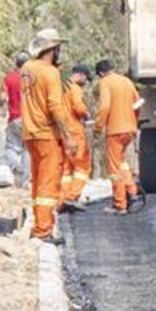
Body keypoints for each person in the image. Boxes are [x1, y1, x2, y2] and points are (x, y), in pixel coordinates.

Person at [20, 29, 78, 244]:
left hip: (30, 133)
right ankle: (44, 230)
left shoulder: (27, 68)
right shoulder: (50, 72)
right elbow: (54, 105)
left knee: (37, 181)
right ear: (52, 49)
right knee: (47, 182)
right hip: (46, 134)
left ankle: (38, 225)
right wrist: (68, 135)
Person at [93, 59, 143, 215]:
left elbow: (105, 107)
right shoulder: (126, 81)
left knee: (115, 169)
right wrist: (133, 120)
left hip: (115, 130)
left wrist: (98, 126)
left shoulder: (105, 82)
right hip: (130, 129)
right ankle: (133, 192)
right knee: (122, 164)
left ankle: (119, 204)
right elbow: (138, 103)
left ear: (101, 73)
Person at [60, 64, 93, 212]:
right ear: (80, 75)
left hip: (63, 131)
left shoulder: (62, 86)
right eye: (86, 78)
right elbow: (78, 107)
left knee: (66, 168)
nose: (85, 82)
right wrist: (86, 114)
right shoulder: (75, 88)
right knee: (82, 167)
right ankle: (72, 197)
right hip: (75, 132)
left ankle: (63, 199)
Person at [0, 51, 31, 187]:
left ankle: (15, 166)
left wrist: (2, 105)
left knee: (10, 149)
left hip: (14, 118)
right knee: (27, 149)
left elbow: (2, 98)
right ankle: (25, 182)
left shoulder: (8, 78)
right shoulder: (32, 78)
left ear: (16, 63)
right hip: (30, 119)